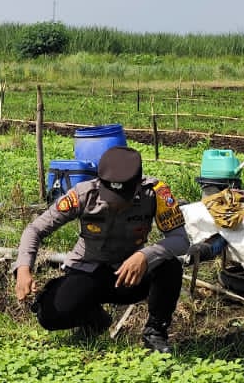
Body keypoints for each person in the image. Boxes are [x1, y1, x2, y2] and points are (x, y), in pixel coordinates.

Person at [14, 145, 187, 352]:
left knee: (170, 266)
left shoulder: (156, 194)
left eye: (121, 199)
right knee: (50, 315)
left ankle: (155, 332)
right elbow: (35, 229)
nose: (114, 204)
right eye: (110, 196)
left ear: (136, 186)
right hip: (87, 272)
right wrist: (23, 268)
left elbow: (180, 239)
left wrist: (145, 255)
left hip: (128, 275)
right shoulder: (84, 194)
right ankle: (95, 320)